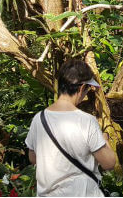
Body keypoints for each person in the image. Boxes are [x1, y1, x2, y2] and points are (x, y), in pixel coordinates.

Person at [25, 59, 116, 196]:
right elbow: (109, 163)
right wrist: (105, 140)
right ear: (81, 88)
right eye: (87, 89)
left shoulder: (39, 118)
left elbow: (33, 158)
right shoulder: (87, 121)